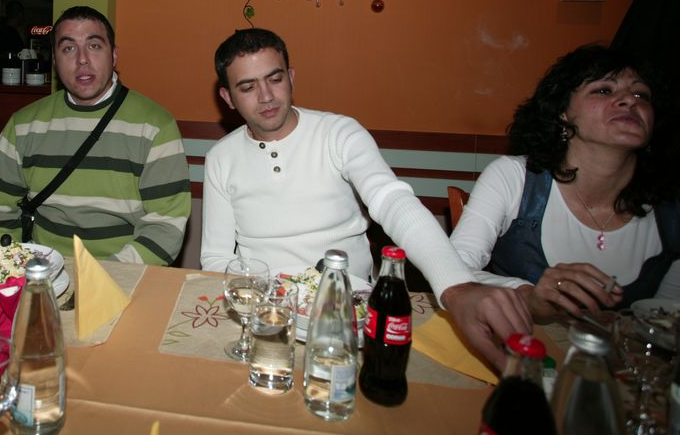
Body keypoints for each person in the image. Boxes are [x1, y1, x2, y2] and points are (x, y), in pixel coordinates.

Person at [201, 27, 531, 369]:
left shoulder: (339, 133)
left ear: (291, 77)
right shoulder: (221, 158)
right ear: (228, 98)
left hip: (349, 312)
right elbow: (215, 257)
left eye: (275, 78)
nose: (266, 96)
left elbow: (392, 201)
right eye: (248, 87)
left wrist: (456, 288)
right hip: (265, 315)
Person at [451, 44, 680, 322]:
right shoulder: (515, 178)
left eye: (641, 94)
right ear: (562, 112)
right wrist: (527, 296)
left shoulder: (670, 211)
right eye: (604, 90)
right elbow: (453, 270)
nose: (629, 101)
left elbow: (667, 318)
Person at [0, 6, 191, 265]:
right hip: (42, 271)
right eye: (68, 48)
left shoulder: (155, 126)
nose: (82, 59)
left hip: (125, 273)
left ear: (114, 55)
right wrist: (16, 264)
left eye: (94, 46)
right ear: (54, 61)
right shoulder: (24, 125)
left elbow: (166, 224)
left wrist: (104, 276)